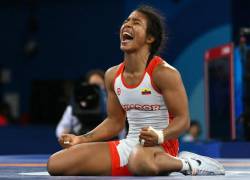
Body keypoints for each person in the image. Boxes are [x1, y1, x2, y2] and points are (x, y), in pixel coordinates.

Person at [47, 5, 225, 176]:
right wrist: (82, 139)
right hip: (131, 145)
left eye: (136, 22)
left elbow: (183, 120)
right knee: (55, 164)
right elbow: (115, 122)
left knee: (138, 160)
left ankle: (188, 163)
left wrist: (160, 136)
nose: (127, 24)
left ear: (150, 38)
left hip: (162, 146)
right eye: (127, 20)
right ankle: (134, 165)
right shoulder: (112, 75)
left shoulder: (164, 73)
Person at [56, 69, 107, 138]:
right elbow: (61, 128)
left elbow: (120, 131)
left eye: (99, 85)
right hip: (80, 143)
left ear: (105, 86)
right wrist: (66, 138)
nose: (96, 89)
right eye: (93, 85)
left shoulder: (112, 104)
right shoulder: (75, 105)